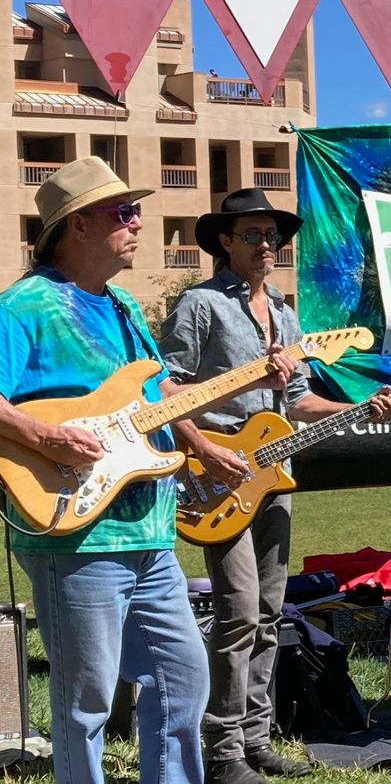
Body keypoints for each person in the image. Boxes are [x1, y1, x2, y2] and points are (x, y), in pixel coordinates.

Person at [158, 189, 391, 784]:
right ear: (225, 242)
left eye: (273, 236)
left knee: (270, 612)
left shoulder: (288, 317)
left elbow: (298, 401)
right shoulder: (200, 305)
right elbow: (165, 390)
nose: (267, 245)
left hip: (274, 477)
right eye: (253, 235)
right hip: (216, 475)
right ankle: (221, 752)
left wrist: (361, 407)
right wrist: (205, 450)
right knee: (238, 612)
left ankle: (256, 739)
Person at [0, 156, 209, 783]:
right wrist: (44, 435)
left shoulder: (120, 305)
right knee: (84, 704)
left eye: (135, 210)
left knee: (184, 682)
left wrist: (205, 440)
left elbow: (156, 394)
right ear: (76, 227)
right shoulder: (23, 306)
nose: (139, 222)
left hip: (150, 535)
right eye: (122, 212)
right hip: (74, 532)